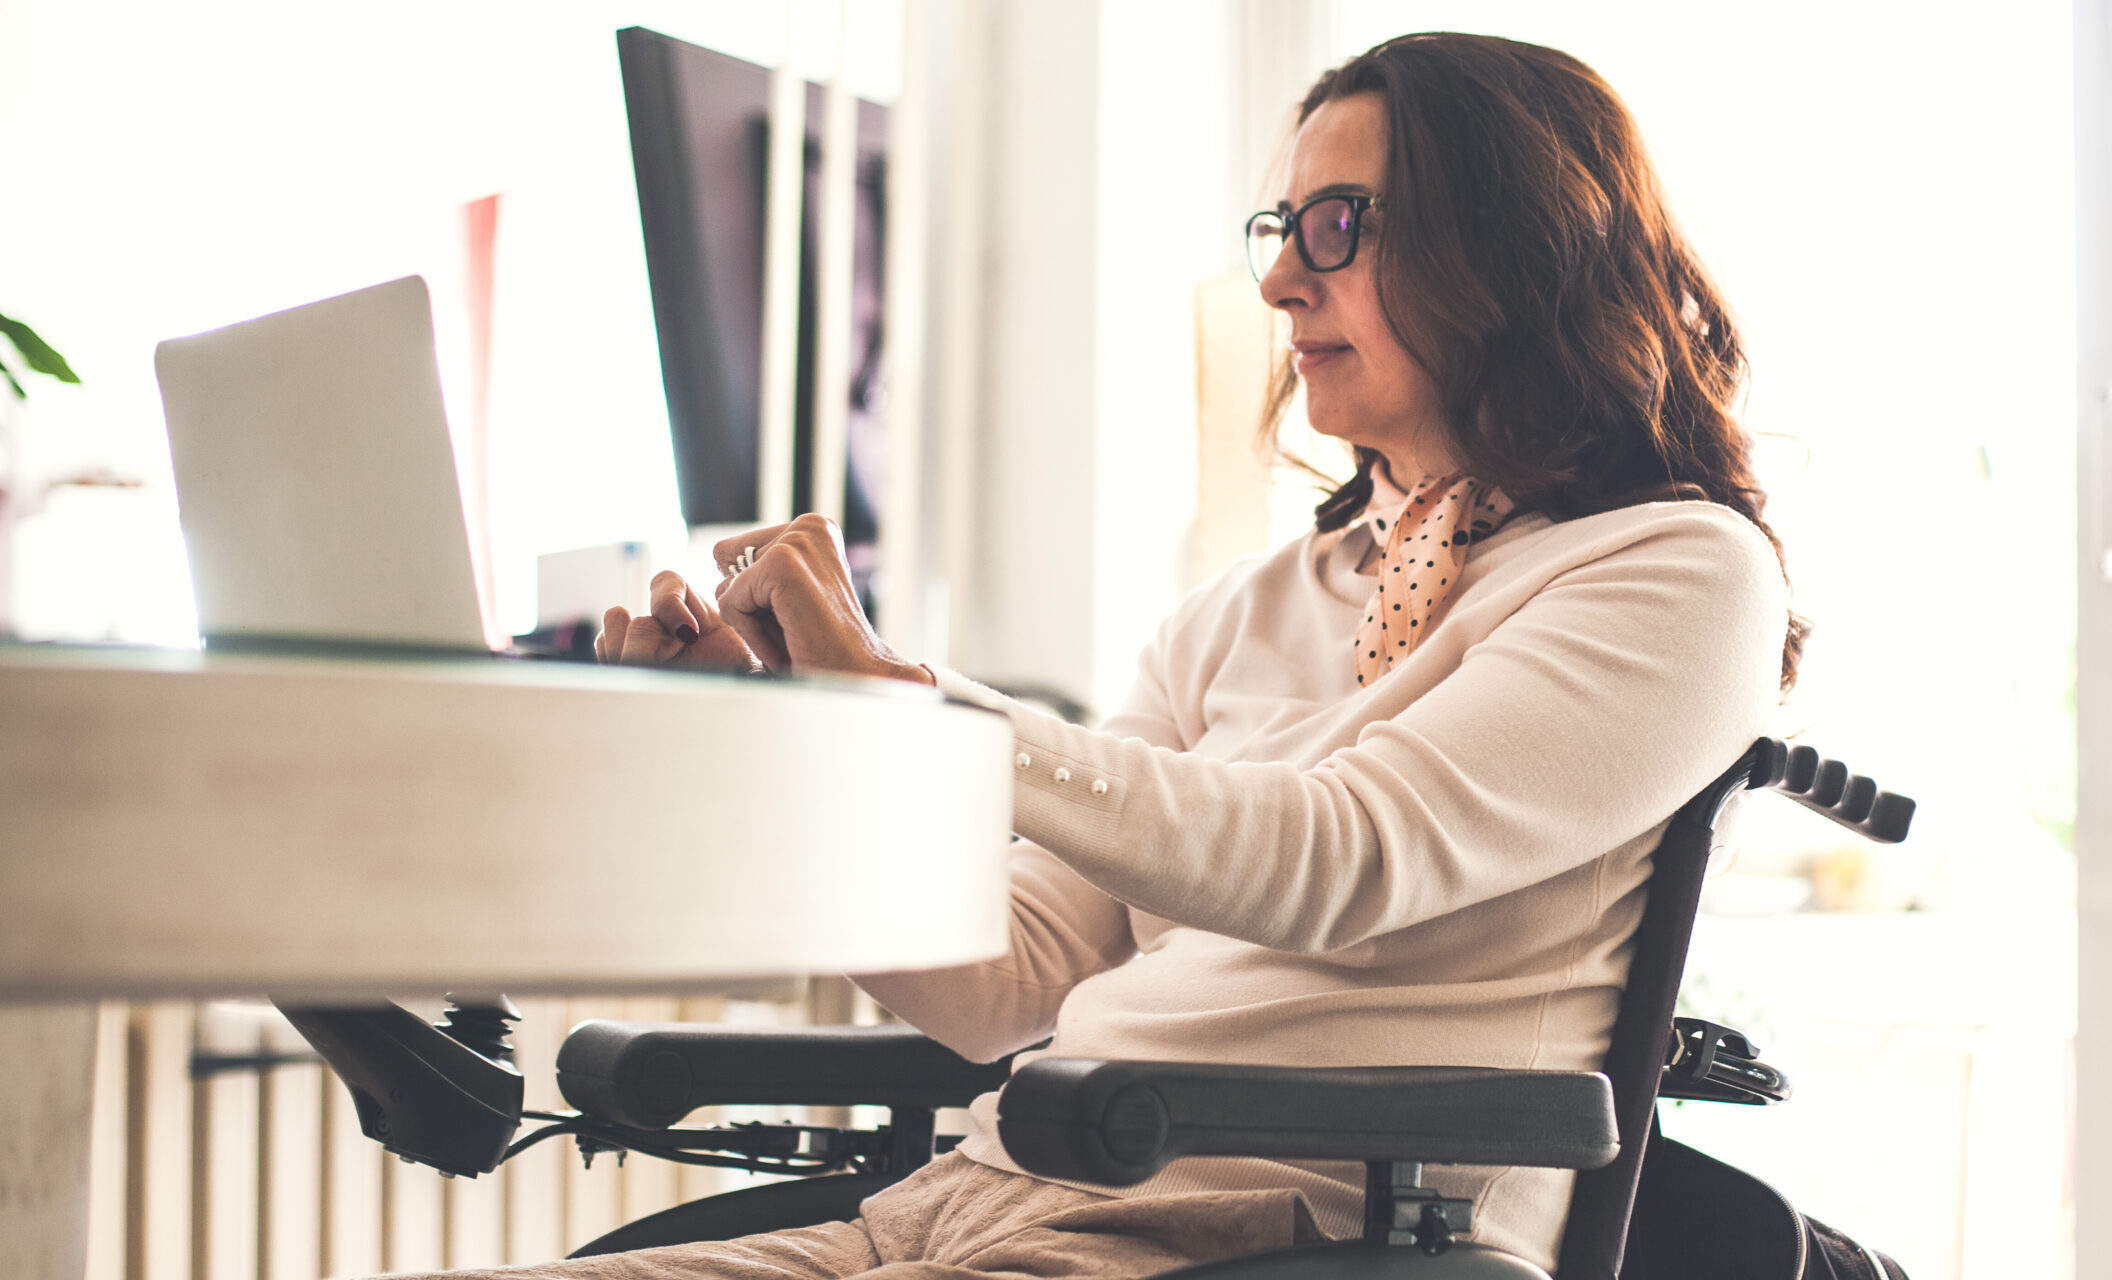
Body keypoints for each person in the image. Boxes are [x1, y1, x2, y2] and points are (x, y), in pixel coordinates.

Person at [438, 29, 1804, 1280]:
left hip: (1278, 1241)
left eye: (1341, 226)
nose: (1279, 277)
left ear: (1513, 249)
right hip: (981, 1201)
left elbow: (1344, 860)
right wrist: (792, 754)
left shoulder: (1671, 573)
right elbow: (1005, 982)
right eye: (1283, 226)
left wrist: (912, 708)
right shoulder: (1249, 607)